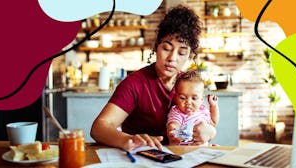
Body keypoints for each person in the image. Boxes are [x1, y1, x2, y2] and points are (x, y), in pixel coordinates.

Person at [90, 4, 217, 151]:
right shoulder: (135, 83)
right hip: (142, 156)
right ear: (156, 47)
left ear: (189, 55)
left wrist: (210, 132)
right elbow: (99, 128)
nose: (172, 58)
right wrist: (127, 139)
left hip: (182, 157)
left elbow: (204, 121)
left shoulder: (188, 84)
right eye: (167, 49)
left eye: (182, 53)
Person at [167, 70, 219, 146]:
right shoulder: (177, 112)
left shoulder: (202, 110)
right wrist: (173, 129)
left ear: (201, 99)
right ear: (175, 98)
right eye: (182, 98)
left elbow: (213, 123)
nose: (188, 102)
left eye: (194, 98)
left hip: (202, 150)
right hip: (183, 150)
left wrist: (213, 106)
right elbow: (174, 123)